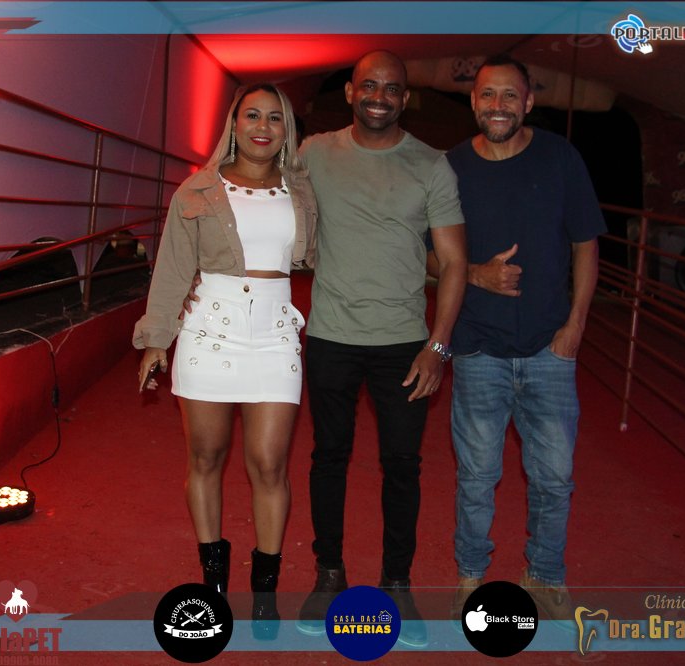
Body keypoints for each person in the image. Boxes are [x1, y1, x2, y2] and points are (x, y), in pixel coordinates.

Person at [294, 51, 468, 649]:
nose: (379, 96)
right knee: (328, 457)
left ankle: (397, 582)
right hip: (330, 335)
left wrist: (438, 347)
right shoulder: (314, 153)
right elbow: (258, 183)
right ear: (350, 91)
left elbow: (454, 262)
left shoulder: (432, 165)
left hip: (403, 344)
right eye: (369, 85)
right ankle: (329, 574)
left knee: (402, 465)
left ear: (405, 98)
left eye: (392, 88)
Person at [133, 84, 316, 637]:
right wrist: (156, 338)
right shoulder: (198, 189)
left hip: (276, 334)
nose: (263, 126)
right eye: (252, 115)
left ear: (287, 130)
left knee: (269, 464)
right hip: (208, 330)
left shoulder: (303, 189)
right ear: (234, 124)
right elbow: (172, 267)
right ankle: (213, 579)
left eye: (275, 118)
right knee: (206, 457)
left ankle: (265, 589)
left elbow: (335, 254)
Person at [427, 55, 605, 621]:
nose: (498, 105)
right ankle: (471, 575)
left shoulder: (560, 157)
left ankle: (545, 576)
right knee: (477, 477)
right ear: (472, 101)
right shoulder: (450, 167)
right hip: (477, 347)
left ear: (528, 101)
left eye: (510, 95)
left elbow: (586, 243)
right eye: (487, 95)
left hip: (550, 347)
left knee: (555, 478)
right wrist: (477, 274)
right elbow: (426, 256)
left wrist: (575, 326)